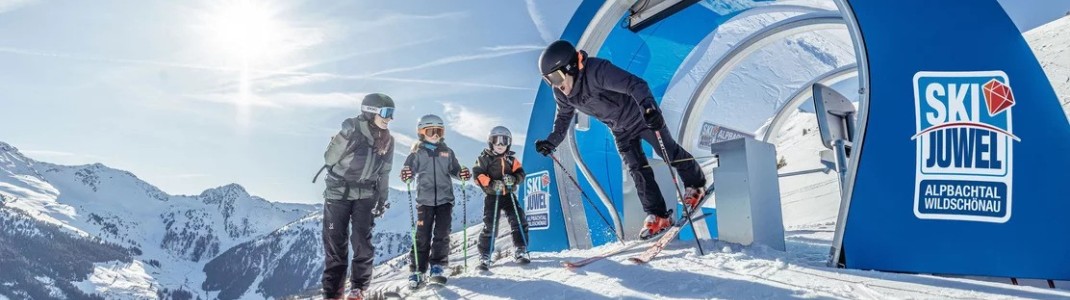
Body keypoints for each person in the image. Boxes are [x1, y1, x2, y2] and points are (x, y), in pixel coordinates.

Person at [533, 40, 707, 240]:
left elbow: (636, 85)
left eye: (556, 77)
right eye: (549, 80)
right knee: (636, 169)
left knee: (667, 151)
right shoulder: (562, 93)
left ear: (570, 67)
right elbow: (563, 118)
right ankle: (658, 215)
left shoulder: (597, 71)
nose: (555, 85)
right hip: (619, 130)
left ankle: (695, 185)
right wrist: (552, 142)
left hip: (641, 118)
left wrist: (649, 109)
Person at [315, 93, 395, 300]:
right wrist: (343, 137)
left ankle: (358, 288)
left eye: (392, 114)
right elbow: (329, 158)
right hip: (337, 195)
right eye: (386, 113)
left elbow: (384, 173)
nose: (389, 118)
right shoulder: (351, 129)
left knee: (362, 242)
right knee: (335, 243)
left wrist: (382, 200)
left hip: (366, 194)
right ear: (370, 111)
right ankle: (333, 294)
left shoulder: (387, 140)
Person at [399, 114, 471, 288]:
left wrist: (461, 173)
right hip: (425, 201)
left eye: (439, 131)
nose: (435, 135)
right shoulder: (417, 153)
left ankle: (437, 267)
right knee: (422, 235)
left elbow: (455, 169)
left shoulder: (447, 152)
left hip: (445, 200)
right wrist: (406, 175)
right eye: (431, 131)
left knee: (442, 233)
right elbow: (408, 170)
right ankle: (417, 270)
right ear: (422, 132)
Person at [471, 126, 528, 271]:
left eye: (504, 141)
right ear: (491, 142)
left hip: (508, 194)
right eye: (497, 141)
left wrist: (514, 179)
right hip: (492, 196)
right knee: (490, 225)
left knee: (518, 219)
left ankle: (520, 249)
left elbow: (521, 174)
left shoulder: (511, 160)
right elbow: (477, 175)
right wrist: (490, 183)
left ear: (509, 143)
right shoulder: (484, 158)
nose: (500, 144)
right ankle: (484, 255)